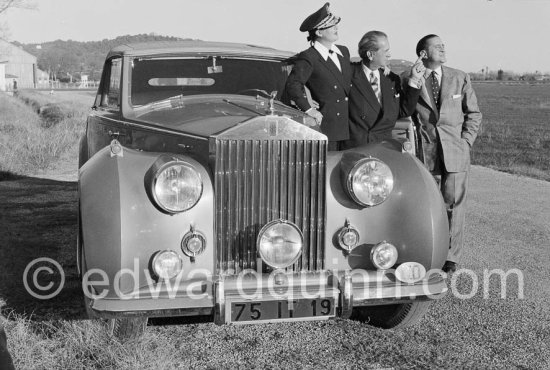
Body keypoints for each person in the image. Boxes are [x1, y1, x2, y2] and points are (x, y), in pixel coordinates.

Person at [411, 34, 482, 274]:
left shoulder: (459, 77)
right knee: (428, 205)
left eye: (443, 45)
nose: (443, 48)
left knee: (453, 205)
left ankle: (450, 256)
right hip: (425, 151)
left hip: (455, 151)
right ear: (423, 52)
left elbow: (474, 114)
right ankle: (428, 250)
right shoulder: (409, 78)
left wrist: (466, 143)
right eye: (437, 46)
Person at [285, 2, 351, 151]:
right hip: (327, 128)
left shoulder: (344, 51)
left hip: (350, 127)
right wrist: (309, 109)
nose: (336, 27)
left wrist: (378, 66)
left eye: (335, 24)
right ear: (319, 33)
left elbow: (353, 75)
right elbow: (293, 84)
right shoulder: (309, 57)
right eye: (330, 25)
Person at [345, 31, 424, 147]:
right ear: (370, 55)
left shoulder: (391, 79)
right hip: (355, 148)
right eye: (385, 51)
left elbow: (404, 111)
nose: (389, 55)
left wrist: (414, 79)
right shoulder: (348, 75)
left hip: (383, 148)